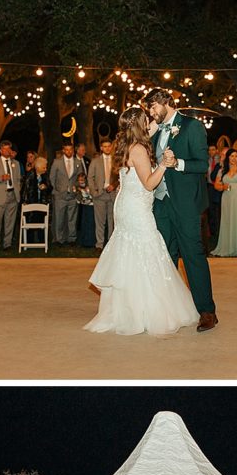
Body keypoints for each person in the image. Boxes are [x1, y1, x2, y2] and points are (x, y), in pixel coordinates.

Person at [84, 105, 198, 336]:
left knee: (130, 253)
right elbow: (149, 183)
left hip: (126, 205)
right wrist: (164, 165)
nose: (149, 121)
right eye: (145, 119)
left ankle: (128, 308)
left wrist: (166, 110)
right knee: (147, 250)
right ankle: (144, 312)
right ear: (138, 125)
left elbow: (155, 125)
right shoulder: (138, 150)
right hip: (136, 208)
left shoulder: (126, 145)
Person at [145, 87, 218, 332]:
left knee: (192, 255)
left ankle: (207, 311)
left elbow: (202, 164)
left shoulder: (191, 126)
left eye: (153, 106)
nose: (151, 112)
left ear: (165, 101)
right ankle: (167, 310)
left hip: (186, 203)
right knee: (164, 256)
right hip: (161, 203)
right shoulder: (155, 130)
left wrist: (177, 163)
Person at [210, 148, 237, 257]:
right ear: (228, 158)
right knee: (228, 222)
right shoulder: (222, 170)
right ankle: (229, 248)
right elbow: (216, 185)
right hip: (227, 200)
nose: (234, 158)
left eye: (236, 156)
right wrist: (223, 187)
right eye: (232, 156)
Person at [0, 139, 21, 252]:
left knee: (10, 221)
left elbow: (18, 179)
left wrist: (17, 190)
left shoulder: (15, 163)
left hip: (13, 195)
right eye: (5, 149)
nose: (7, 151)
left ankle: (7, 244)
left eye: (9, 149)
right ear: (1, 151)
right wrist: (0, 178)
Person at [49, 142, 85, 245]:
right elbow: (52, 177)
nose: (69, 151)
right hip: (60, 195)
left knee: (72, 218)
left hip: (73, 195)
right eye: (67, 149)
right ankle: (59, 239)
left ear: (73, 150)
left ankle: (71, 239)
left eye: (70, 149)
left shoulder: (77, 162)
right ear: (63, 150)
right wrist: (57, 189)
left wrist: (77, 186)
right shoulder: (57, 162)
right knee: (59, 218)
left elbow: (81, 177)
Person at [87, 138, 118, 251]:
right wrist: (94, 191)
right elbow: (90, 177)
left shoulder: (116, 160)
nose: (107, 148)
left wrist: (114, 185)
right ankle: (99, 244)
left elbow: (120, 176)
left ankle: (110, 244)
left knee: (112, 220)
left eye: (109, 146)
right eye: (105, 146)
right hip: (99, 194)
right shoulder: (95, 161)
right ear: (101, 148)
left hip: (112, 193)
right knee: (100, 221)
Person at [75, 172, 96, 248]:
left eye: (82, 180)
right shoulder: (78, 187)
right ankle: (82, 241)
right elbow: (78, 197)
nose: (80, 182)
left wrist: (82, 190)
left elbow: (88, 195)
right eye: (79, 180)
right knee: (83, 223)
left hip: (90, 206)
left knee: (90, 223)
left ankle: (90, 241)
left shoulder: (89, 186)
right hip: (83, 206)